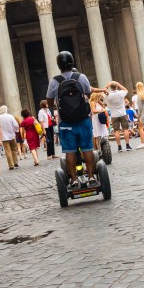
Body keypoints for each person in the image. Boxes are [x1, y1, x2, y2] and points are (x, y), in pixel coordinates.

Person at [47, 51, 105, 187]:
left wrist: (57, 106)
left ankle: (73, 180)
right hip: (83, 120)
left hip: (66, 122)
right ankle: (91, 177)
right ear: (72, 62)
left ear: (58, 65)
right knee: (87, 148)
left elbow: (49, 101)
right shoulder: (81, 77)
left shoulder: (54, 81)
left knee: (70, 151)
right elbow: (88, 94)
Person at [105, 81, 133, 152]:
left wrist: (107, 86)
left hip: (114, 115)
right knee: (125, 129)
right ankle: (127, 145)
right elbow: (126, 90)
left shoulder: (108, 94)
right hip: (122, 113)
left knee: (116, 131)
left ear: (110, 87)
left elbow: (102, 93)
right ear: (116, 86)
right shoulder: (121, 93)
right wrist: (119, 84)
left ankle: (119, 147)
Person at [0, 105, 20, 170]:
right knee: (14, 149)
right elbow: (16, 125)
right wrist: (16, 130)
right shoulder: (10, 116)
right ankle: (15, 162)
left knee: (7, 151)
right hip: (12, 135)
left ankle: (11, 165)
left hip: (3, 137)